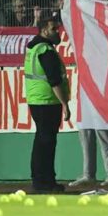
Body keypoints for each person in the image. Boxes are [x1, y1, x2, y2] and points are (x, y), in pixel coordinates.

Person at [24, 17, 70, 193]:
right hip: (47, 101)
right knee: (47, 142)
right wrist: (64, 104)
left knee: (42, 141)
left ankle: (41, 180)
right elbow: (54, 80)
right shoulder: (45, 50)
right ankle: (45, 182)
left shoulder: (34, 47)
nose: (57, 32)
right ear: (44, 31)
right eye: (53, 29)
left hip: (37, 100)